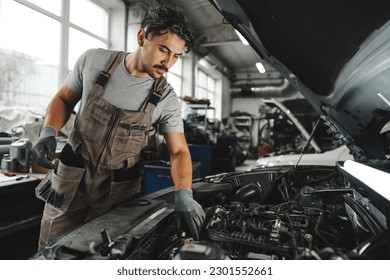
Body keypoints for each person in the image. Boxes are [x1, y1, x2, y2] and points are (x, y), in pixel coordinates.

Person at [32, 5, 205, 250]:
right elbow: (63, 99)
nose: (168, 62)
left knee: (107, 256)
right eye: (163, 50)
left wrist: (184, 192)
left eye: (176, 56)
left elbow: (179, 151)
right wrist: (48, 131)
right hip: (70, 179)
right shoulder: (94, 61)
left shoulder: (165, 98)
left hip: (117, 191)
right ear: (142, 37)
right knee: (50, 252)